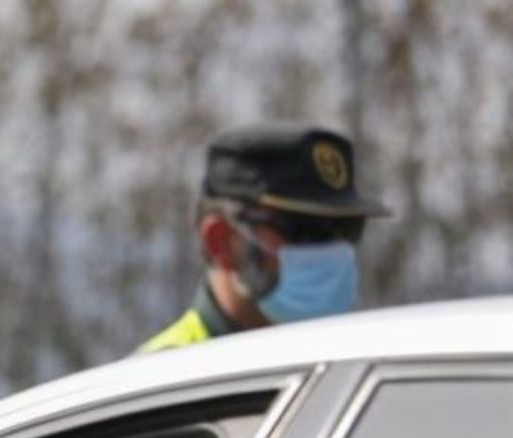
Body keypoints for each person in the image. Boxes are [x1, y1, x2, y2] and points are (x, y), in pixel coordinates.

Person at [133, 121, 392, 355]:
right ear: (221, 241)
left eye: (347, 230)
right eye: (304, 231)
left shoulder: (364, 371)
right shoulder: (162, 386)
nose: (332, 250)